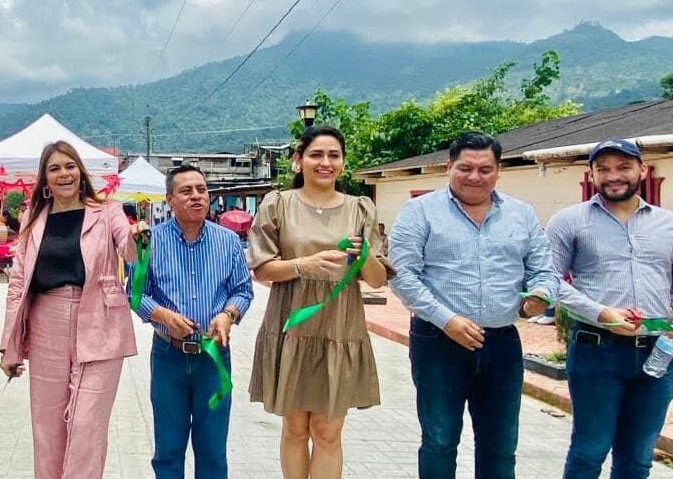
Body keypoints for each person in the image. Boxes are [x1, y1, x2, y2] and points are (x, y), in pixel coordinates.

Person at [388, 131, 559, 479]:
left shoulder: (521, 215)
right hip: (437, 341)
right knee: (439, 440)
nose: (474, 177)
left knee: (500, 444)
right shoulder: (420, 211)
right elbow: (402, 275)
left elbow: (544, 270)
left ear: (499, 170)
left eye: (485, 169)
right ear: (449, 166)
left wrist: (538, 298)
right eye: (465, 168)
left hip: (502, 343)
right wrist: (446, 319)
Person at [248, 125, 391, 479]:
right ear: (298, 161)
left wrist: (365, 256)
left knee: (328, 432)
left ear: (342, 163)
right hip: (292, 323)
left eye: (333, 155)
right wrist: (303, 265)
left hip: (340, 327)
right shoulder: (278, 203)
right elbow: (262, 270)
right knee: (296, 429)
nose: (325, 162)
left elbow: (376, 280)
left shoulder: (361, 208)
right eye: (316, 154)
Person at [0, 140, 146, 479]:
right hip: (45, 322)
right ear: (45, 180)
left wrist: (139, 238)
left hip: (100, 321)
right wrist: (10, 344)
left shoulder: (108, 211)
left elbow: (130, 251)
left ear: (81, 172)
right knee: (47, 427)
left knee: (86, 426)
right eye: (54, 169)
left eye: (69, 166)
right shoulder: (32, 218)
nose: (63, 174)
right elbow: (18, 281)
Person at [546, 138, 673, 479]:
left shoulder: (668, 224)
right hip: (595, 350)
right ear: (592, 174)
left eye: (623, 167)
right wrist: (600, 312)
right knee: (590, 451)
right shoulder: (569, 221)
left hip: (657, 353)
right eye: (603, 169)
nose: (613, 176)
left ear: (641, 170)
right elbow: (548, 280)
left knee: (639, 456)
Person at [134, 165, 254, 478]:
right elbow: (134, 294)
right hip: (168, 357)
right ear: (169, 199)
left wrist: (227, 316)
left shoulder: (228, 242)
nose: (197, 196)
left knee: (213, 453)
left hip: (213, 358)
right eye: (186, 191)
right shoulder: (150, 242)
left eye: (201, 189)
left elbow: (243, 290)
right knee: (168, 452)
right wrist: (161, 315)